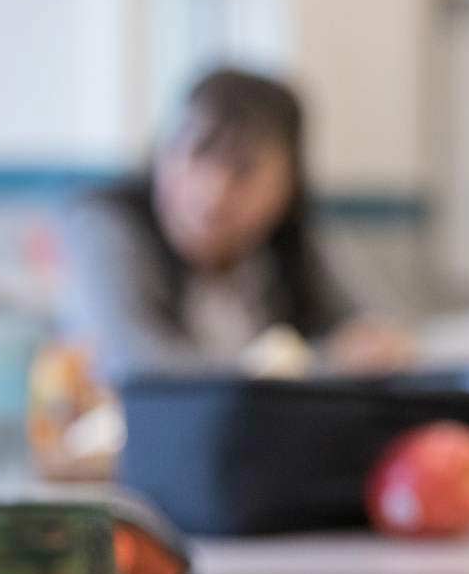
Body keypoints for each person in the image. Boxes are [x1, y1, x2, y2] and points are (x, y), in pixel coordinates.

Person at [57, 68, 413, 384]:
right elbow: (143, 370)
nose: (212, 192)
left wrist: (372, 345)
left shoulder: (290, 245)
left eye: (243, 171)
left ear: (288, 186)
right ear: (163, 153)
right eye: (197, 155)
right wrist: (323, 364)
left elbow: (372, 331)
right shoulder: (107, 226)